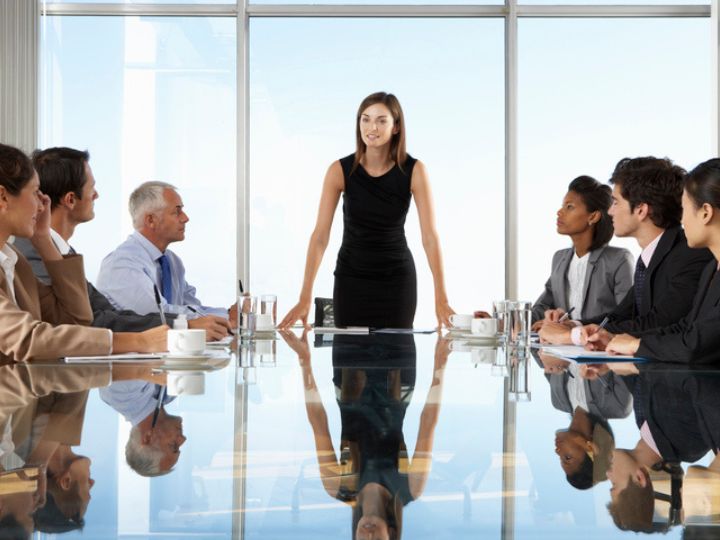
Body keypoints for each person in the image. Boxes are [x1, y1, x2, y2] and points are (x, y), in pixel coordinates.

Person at [13, 147, 231, 340]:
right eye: (92, 188)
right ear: (70, 199)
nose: (96, 195)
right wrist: (183, 327)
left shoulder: (63, 251)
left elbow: (107, 313)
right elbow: (85, 322)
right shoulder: (32, 253)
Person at [280, 92, 454, 329]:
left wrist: (441, 299)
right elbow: (320, 237)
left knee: (397, 360)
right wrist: (304, 298)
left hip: (397, 282)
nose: (372, 127)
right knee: (349, 360)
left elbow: (430, 238)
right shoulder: (339, 170)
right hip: (351, 280)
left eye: (382, 120)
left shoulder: (414, 171)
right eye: (365, 119)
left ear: (395, 127)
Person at [0, 143, 166, 363]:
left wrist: (44, 242)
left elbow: (75, 321)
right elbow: (28, 339)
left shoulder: (15, 262)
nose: (42, 207)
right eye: (34, 193)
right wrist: (138, 342)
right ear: (3, 197)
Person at [281, 330, 446, 540]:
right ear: (392, 533)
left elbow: (318, 422)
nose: (368, 535)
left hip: (350, 367)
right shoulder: (411, 488)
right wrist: (440, 364)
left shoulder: (337, 486)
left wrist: (304, 361)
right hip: (397, 368)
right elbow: (428, 423)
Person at [539, 156, 712, 346]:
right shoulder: (649, 257)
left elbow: (660, 321)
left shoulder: (690, 254)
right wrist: (573, 325)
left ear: (641, 210)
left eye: (615, 202)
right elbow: (620, 315)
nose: (610, 211)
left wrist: (576, 334)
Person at [603, 158, 720, 363]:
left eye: (685, 209)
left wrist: (635, 345)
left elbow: (696, 345)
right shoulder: (712, 268)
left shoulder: (693, 257)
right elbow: (685, 328)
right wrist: (620, 339)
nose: (681, 220)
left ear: (706, 213)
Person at [96, 181, 237, 325]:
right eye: (177, 211)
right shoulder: (121, 263)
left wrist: (228, 314)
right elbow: (159, 316)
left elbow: (192, 309)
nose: (185, 218)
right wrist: (226, 316)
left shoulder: (172, 261)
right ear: (151, 220)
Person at [532, 175, 633, 327]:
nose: (559, 212)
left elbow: (626, 317)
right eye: (562, 206)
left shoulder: (619, 259)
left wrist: (574, 326)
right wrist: (500, 322)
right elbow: (541, 308)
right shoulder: (559, 258)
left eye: (569, 207)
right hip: (562, 348)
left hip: (600, 348)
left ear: (593, 216)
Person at [100, 380, 186, 477]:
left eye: (173, 445)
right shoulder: (169, 396)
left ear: (148, 438)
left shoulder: (119, 395)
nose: (183, 439)